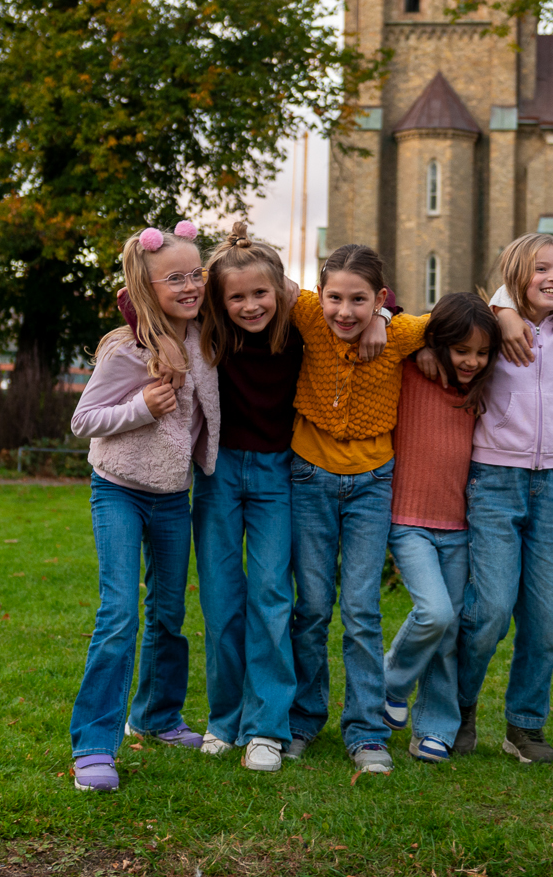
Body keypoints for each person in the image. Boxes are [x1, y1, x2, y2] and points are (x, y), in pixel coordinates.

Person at [188, 221, 384, 773]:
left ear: (282, 290)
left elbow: (362, 305)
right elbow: (138, 303)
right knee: (223, 600)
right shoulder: (210, 328)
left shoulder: (302, 328)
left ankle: (266, 727)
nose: (251, 305)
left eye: (260, 293)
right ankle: (225, 719)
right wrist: (206, 269)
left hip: (280, 473)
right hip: (219, 471)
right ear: (217, 299)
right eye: (236, 296)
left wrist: (384, 319)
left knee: (272, 596)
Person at [66, 222, 219, 792]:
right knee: (119, 616)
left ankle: (156, 717)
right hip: (119, 490)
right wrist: (140, 406)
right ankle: (93, 746)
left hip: (173, 496)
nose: (188, 285)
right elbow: (83, 421)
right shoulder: (124, 349)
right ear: (146, 285)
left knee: (169, 615)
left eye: (195, 274)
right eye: (173, 277)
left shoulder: (206, 340)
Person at [286, 243, 429, 775]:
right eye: (335, 298)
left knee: (362, 611)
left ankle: (366, 730)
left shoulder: (397, 333)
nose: (344, 311)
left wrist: (387, 319)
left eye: (360, 301)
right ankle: (303, 719)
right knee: (313, 607)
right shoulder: (307, 316)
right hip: (309, 476)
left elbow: (452, 317)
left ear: (379, 298)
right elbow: (255, 279)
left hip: (371, 484)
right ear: (319, 294)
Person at [453, 233, 553, 763]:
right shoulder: (486, 322)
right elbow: (438, 326)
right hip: (495, 479)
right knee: (489, 610)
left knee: (546, 618)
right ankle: (455, 711)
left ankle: (524, 726)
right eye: (540, 269)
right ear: (514, 273)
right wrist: (502, 310)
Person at [382, 292, 497, 762]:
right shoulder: (411, 370)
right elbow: (386, 310)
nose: (472, 361)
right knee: (435, 614)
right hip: (407, 521)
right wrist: (420, 345)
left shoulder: (479, 391)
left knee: (447, 633)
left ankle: (435, 728)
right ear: (439, 342)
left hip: (457, 527)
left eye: (482, 353)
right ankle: (389, 680)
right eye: (461, 350)